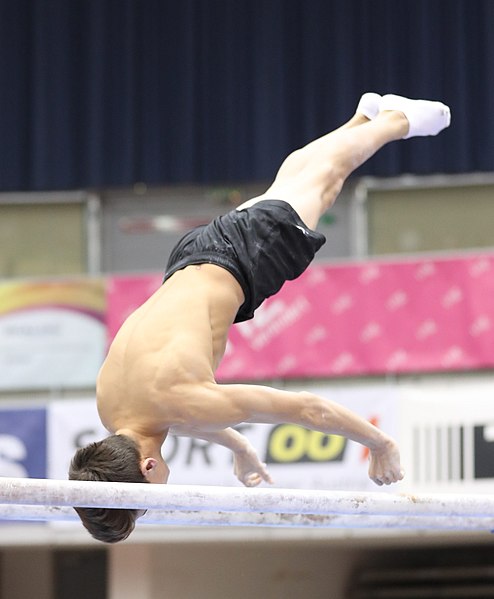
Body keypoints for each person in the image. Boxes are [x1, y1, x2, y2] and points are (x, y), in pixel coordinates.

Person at [69, 92, 451, 543]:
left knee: (325, 181)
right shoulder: (112, 407)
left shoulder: (183, 403)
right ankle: (360, 118)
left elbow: (307, 408)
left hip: (241, 263)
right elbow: (185, 416)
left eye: (146, 501)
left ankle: (395, 120)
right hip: (189, 260)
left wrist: (379, 444)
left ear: (148, 468)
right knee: (292, 184)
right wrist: (241, 447)